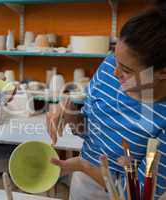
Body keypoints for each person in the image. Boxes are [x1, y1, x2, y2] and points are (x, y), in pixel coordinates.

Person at [47, 1, 166, 199]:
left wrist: (86, 166)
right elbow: (89, 132)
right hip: (83, 181)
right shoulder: (111, 68)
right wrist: (72, 114)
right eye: (114, 59)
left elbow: (141, 194)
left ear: (162, 72)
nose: (114, 72)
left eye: (126, 70)